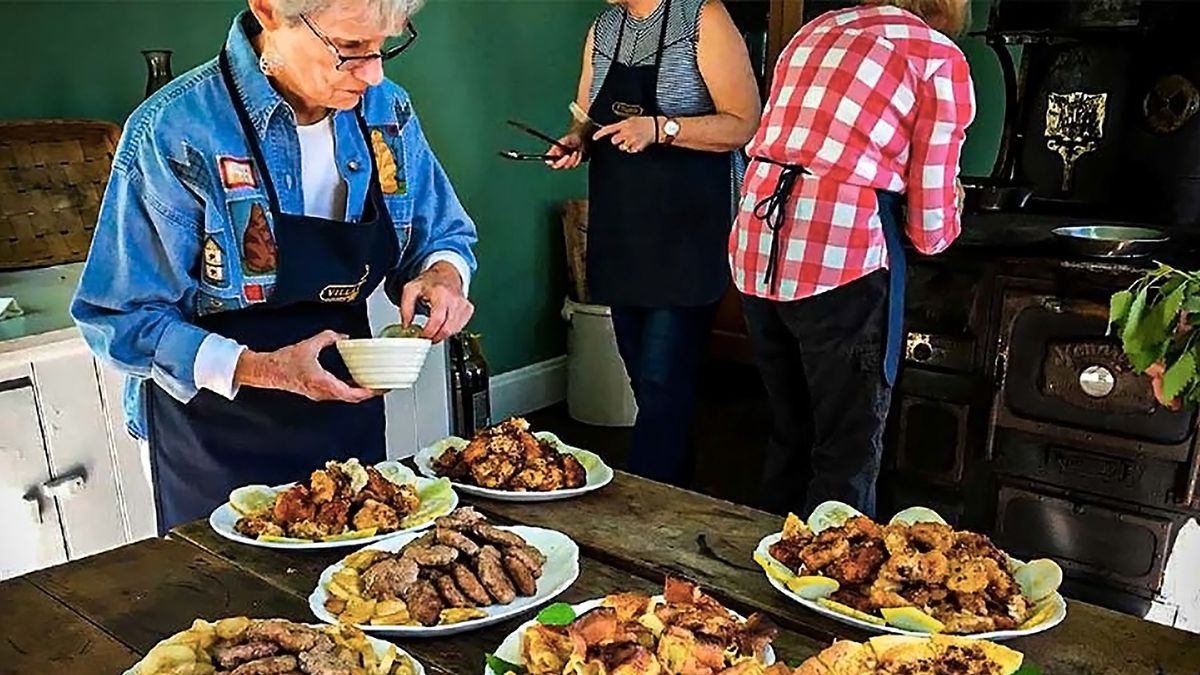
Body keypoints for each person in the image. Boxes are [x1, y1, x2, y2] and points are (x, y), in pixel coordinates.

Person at [70, 0, 477, 534]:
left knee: (356, 590)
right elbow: (117, 317)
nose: (374, 74)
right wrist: (264, 368)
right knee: (236, 609)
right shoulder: (175, 130)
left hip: (341, 412)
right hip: (217, 431)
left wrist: (442, 274)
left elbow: (441, 233)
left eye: (386, 46)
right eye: (350, 49)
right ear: (268, 11)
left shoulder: (387, 114)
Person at [730, 0, 975, 517]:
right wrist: (953, 210)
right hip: (838, 258)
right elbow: (930, 228)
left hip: (758, 245)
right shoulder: (935, 57)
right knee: (846, 448)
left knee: (788, 432)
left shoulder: (817, 30)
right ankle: (827, 587)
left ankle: (762, 566)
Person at [548, 0, 761, 486]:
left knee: (665, 379)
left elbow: (745, 122)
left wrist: (662, 128)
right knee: (646, 379)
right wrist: (577, 140)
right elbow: (588, 114)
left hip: (687, 232)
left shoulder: (702, 17)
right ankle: (678, 493)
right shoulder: (604, 28)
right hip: (622, 231)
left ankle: (642, 498)